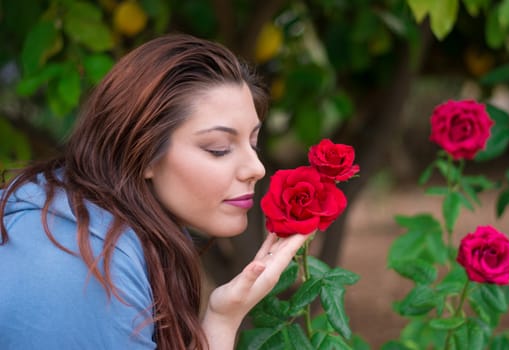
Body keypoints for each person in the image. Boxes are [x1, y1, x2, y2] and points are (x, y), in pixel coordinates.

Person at [0, 34, 310, 349]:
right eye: (219, 148)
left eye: (253, 142)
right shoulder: (79, 266)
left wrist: (222, 317)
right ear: (144, 153)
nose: (256, 168)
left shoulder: (109, 230)